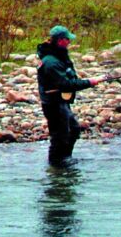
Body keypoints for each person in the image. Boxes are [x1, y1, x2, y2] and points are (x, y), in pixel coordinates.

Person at [36, 25, 103, 167]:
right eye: (67, 39)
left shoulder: (58, 55)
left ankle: (66, 158)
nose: (69, 42)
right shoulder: (50, 62)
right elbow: (65, 84)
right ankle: (55, 165)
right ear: (60, 40)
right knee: (59, 136)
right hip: (53, 104)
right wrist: (89, 82)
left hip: (60, 102)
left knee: (73, 129)